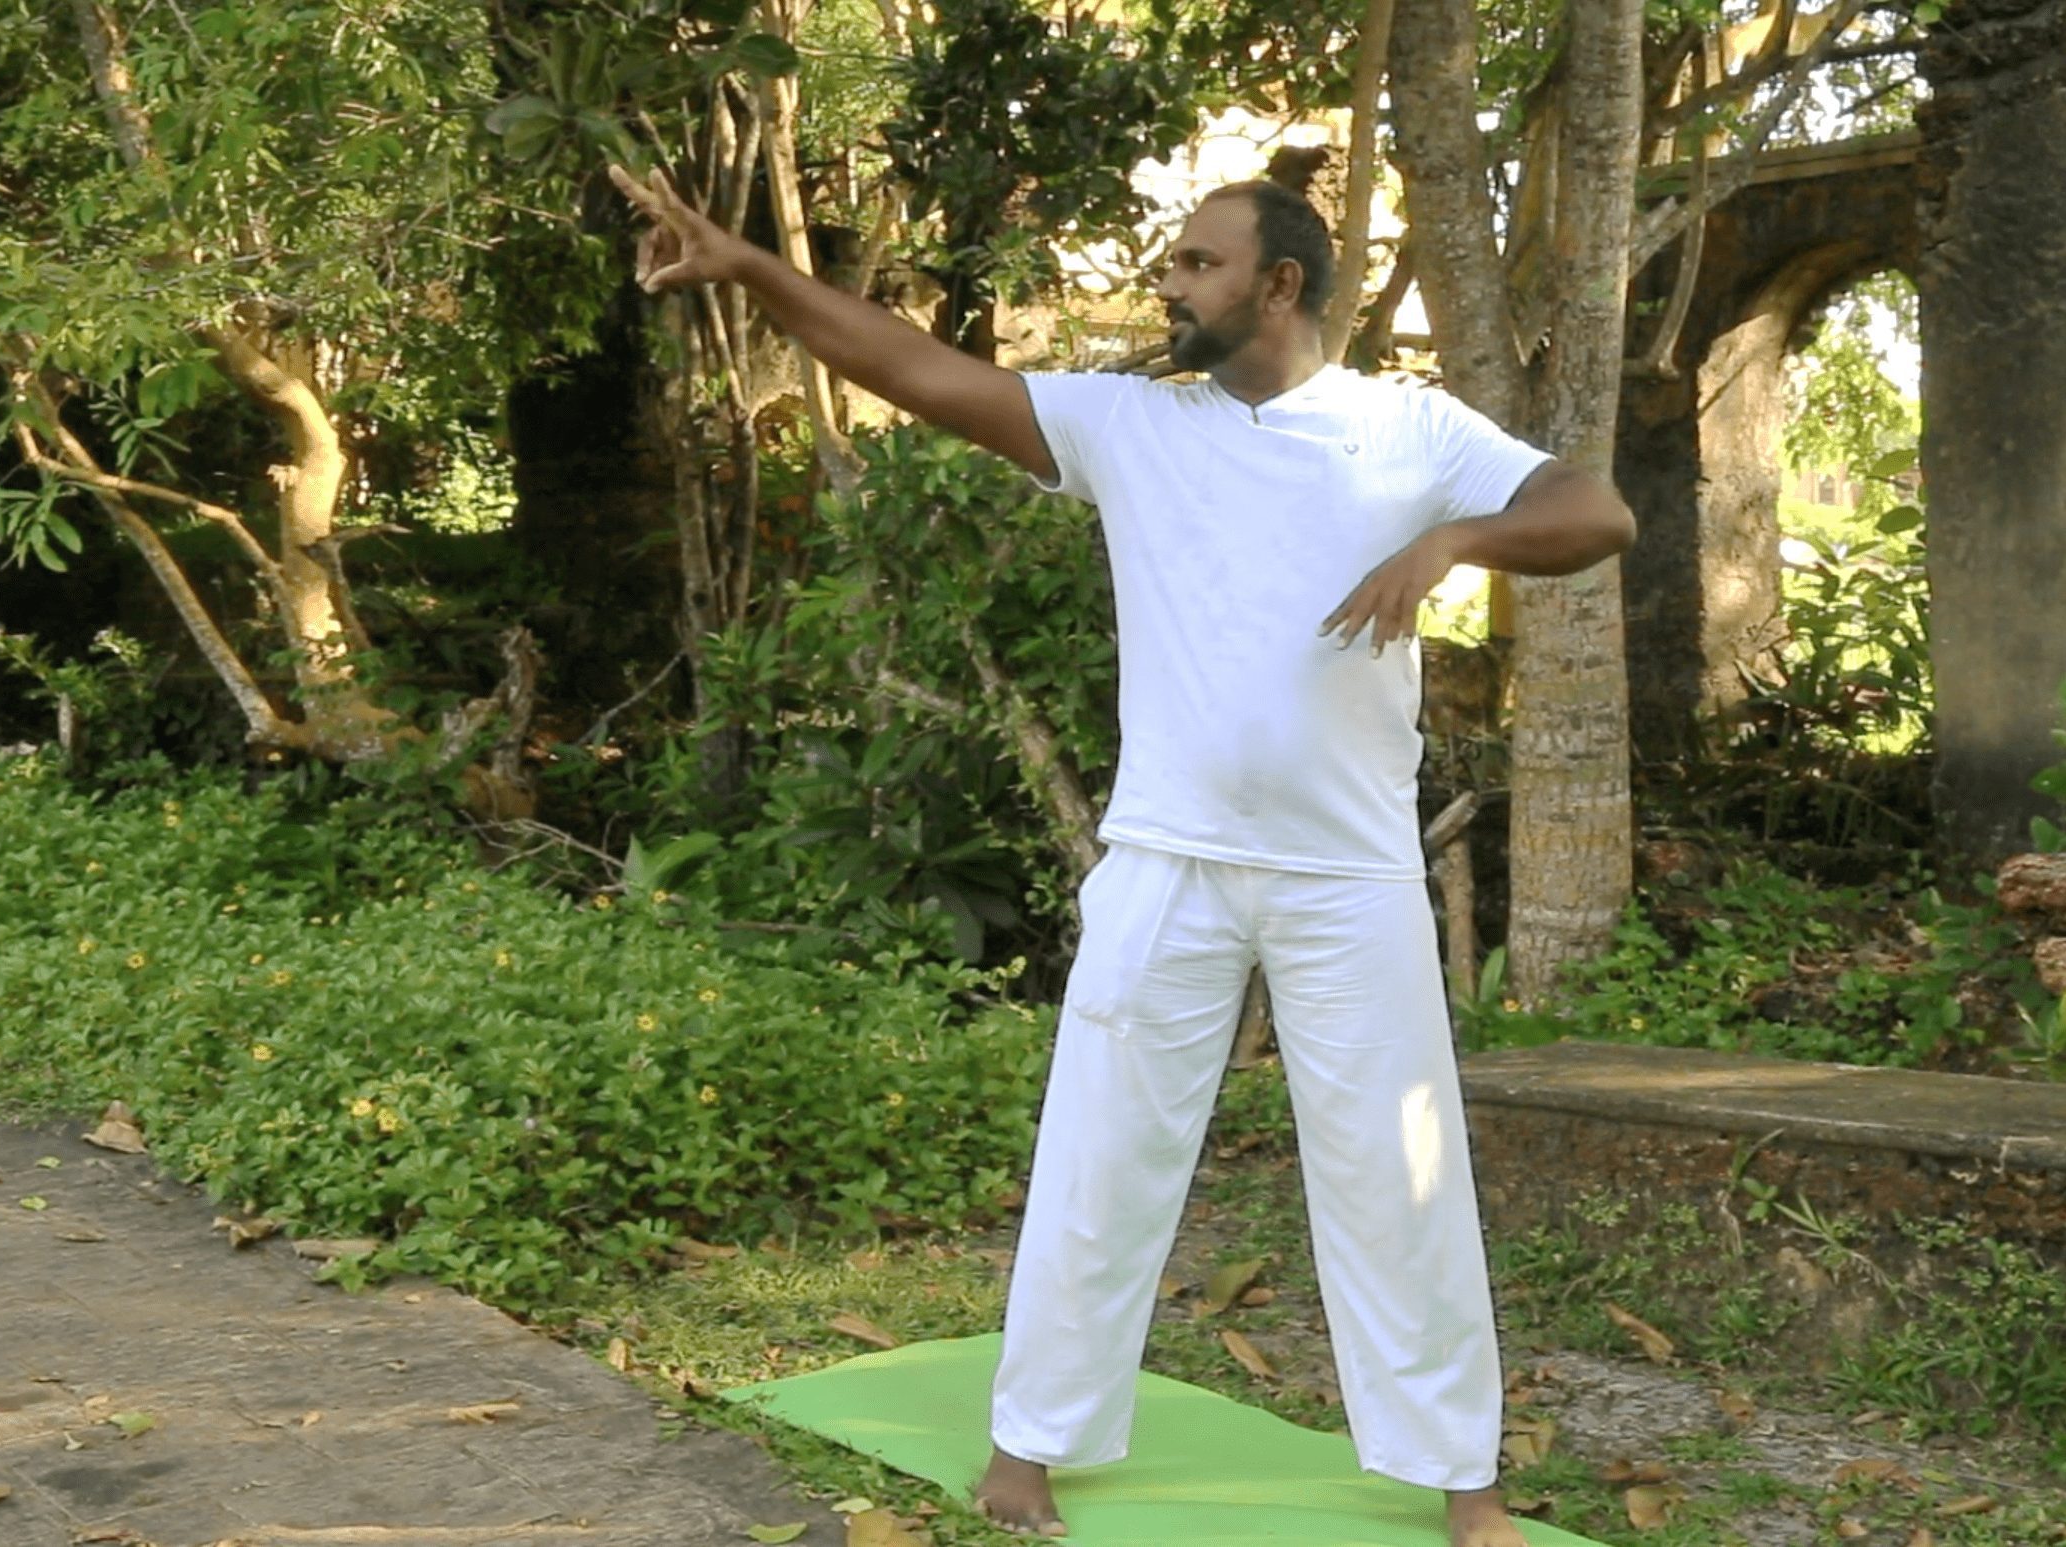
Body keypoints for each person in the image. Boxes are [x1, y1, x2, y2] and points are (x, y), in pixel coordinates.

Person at [610, 160, 1634, 1547]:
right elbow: (917, 371)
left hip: (1350, 878)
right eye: (1172, 263)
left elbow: (1595, 514)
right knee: (1102, 1160)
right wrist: (748, 268)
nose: (1170, 284)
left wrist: (1453, 538)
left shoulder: (1408, 430)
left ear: (1279, 284)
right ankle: (1030, 1447)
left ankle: (1463, 1482)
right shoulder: (1130, 425)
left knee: (1400, 1180)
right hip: (1166, 863)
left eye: (1198, 264)